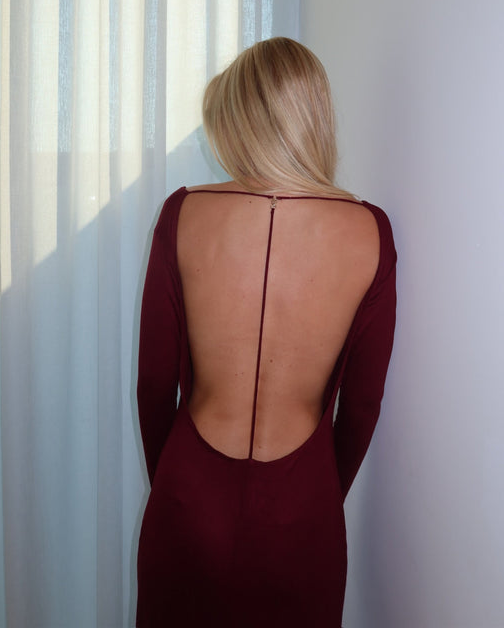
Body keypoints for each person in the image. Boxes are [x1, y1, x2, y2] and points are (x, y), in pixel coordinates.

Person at [136, 37, 396, 627]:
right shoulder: (368, 230)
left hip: (188, 494)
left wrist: (172, 483)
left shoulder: (184, 212)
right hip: (304, 507)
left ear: (243, 121)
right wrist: (320, 496)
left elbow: (153, 383)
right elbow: (362, 404)